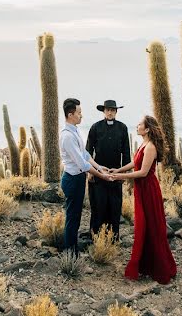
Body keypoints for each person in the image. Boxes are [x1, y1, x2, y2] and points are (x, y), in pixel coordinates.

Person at [111, 115, 177, 284]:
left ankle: (157, 267)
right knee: (143, 226)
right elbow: (135, 163)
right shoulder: (144, 144)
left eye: (140, 124)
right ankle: (146, 265)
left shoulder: (150, 147)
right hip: (142, 189)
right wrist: (117, 170)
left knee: (150, 225)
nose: (137, 126)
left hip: (148, 189)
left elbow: (143, 173)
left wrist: (120, 177)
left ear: (147, 129)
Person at [59, 98, 112, 256]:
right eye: (79, 113)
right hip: (72, 180)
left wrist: (99, 167)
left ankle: (73, 250)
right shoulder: (67, 136)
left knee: (76, 216)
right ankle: (70, 253)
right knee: (72, 218)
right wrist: (102, 176)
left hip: (78, 179)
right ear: (70, 114)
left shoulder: (75, 130)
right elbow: (82, 164)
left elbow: (85, 154)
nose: (81, 116)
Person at [86, 99, 130, 240]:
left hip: (116, 173)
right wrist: (90, 171)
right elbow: (88, 151)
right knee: (98, 205)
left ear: (116, 112)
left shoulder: (122, 128)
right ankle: (96, 237)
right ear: (104, 111)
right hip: (99, 172)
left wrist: (124, 174)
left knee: (115, 206)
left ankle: (113, 237)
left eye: (112, 110)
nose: (110, 112)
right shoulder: (95, 127)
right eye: (107, 110)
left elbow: (126, 152)